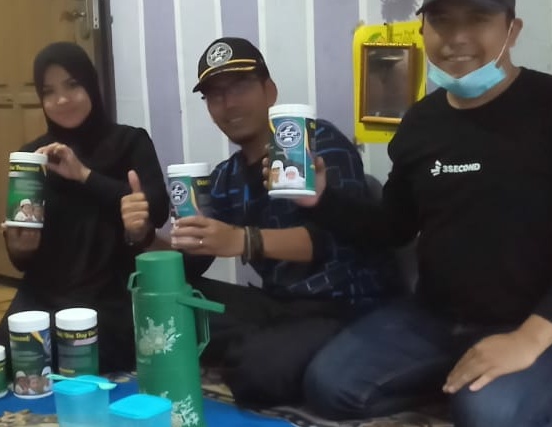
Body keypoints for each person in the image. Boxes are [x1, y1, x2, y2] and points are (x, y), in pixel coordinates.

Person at [288, 0, 552, 426]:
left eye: (478, 19)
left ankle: (525, 401)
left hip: (537, 324)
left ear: (512, 30)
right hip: (432, 318)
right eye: (442, 21)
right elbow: (393, 226)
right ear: (423, 31)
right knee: (328, 388)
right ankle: (463, 385)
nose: (457, 37)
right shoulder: (421, 121)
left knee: (488, 415)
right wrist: (321, 201)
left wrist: (529, 338)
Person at [121, 37, 400, 408]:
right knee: (155, 311)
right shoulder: (226, 176)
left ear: (270, 91)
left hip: (346, 306)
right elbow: (190, 262)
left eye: (240, 87)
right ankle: (258, 343)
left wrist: (242, 240)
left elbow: (332, 243)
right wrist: (143, 236)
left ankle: (270, 349)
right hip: (277, 304)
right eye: (215, 95)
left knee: (255, 375)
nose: (229, 104)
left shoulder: (316, 143)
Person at [0, 42, 170, 372]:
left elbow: (156, 210)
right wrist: (19, 248)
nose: (61, 100)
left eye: (72, 85)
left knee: (73, 359)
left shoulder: (129, 142)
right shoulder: (33, 157)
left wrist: (84, 175)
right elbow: (22, 260)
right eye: (49, 92)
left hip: (109, 295)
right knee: (6, 362)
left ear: (90, 84)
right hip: (43, 294)